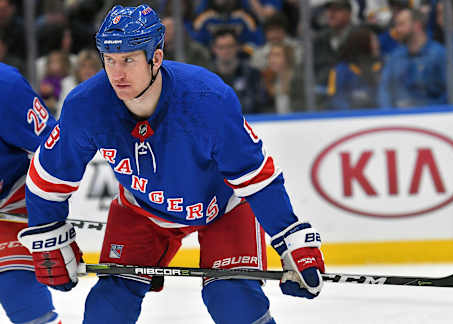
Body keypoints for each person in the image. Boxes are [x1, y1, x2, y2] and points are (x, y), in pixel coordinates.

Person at [18, 4, 325, 324]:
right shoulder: (87, 106)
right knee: (107, 308)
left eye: (128, 59)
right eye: (109, 60)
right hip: (142, 209)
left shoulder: (208, 99)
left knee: (234, 302)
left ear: (156, 59)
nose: (117, 73)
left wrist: (290, 238)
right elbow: (47, 178)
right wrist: (47, 233)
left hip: (223, 207)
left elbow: (256, 179)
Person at [0, 63, 60, 323]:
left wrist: (51, 213)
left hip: (8, 202)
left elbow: (54, 150)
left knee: (25, 303)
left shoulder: (5, 87)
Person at [378, 8, 453, 108]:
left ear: (417, 25)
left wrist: (428, 110)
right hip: (400, 118)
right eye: (396, 25)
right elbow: (384, 90)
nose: (397, 30)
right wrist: (389, 113)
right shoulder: (395, 57)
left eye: (401, 24)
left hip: (434, 118)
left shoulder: (441, 55)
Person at [211, 28, 269, 114]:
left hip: (251, 122)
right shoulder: (207, 77)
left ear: (237, 47)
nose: (226, 51)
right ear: (214, 49)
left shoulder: (252, 73)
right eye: (221, 47)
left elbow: (261, 102)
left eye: (229, 46)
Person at [326, 25, 383, 110]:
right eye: (373, 40)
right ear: (362, 43)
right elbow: (335, 99)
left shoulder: (382, 66)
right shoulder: (340, 71)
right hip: (350, 119)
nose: (377, 44)